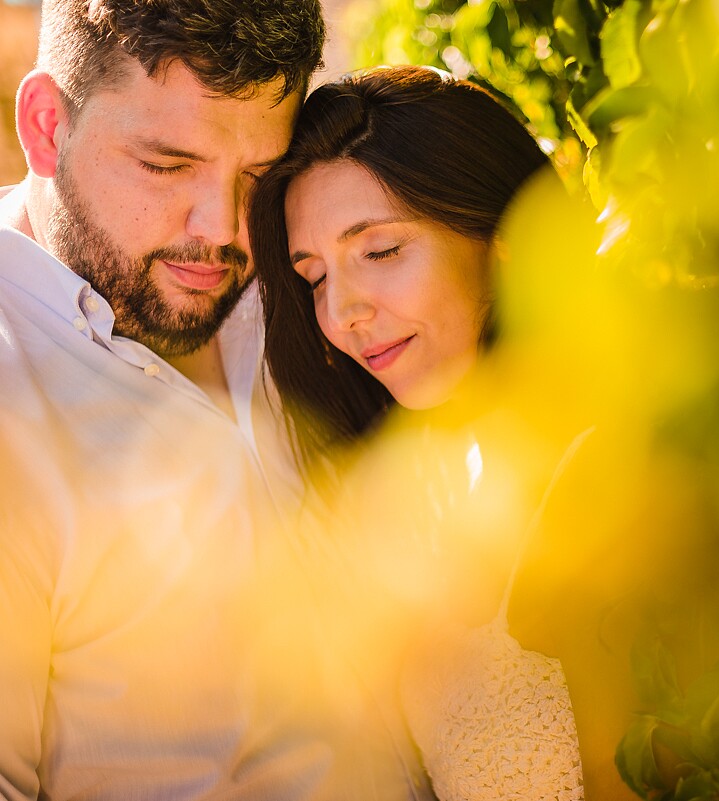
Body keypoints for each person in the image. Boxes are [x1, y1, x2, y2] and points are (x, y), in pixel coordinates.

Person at [0, 2, 430, 798]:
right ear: (45, 125)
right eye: (166, 166)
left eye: (260, 178)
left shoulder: (310, 270)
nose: (223, 229)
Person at [248, 65, 643, 799]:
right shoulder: (430, 493)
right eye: (315, 278)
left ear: (505, 238)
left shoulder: (607, 474)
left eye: (381, 251)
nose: (342, 317)